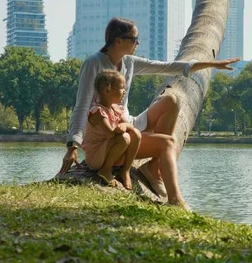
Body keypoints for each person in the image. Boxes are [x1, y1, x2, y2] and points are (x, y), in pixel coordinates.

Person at [59, 17, 238, 210]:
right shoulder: (94, 63)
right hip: (109, 134)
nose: (138, 43)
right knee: (167, 143)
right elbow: (82, 106)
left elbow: (168, 67)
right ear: (118, 41)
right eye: (134, 39)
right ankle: (175, 200)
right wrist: (73, 146)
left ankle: (153, 169)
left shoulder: (129, 62)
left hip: (128, 123)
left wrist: (211, 64)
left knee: (172, 100)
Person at [82, 69, 140, 190]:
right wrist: (123, 127)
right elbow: (111, 133)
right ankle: (105, 170)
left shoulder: (115, 108)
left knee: (136, 134)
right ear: (107, 90)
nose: (124, 91)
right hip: (95, 155)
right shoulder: (97, 112)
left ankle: (126, 170)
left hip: (107, 148)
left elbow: (129, 126)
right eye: (121, 88)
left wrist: (126, 125)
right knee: (124, 138)